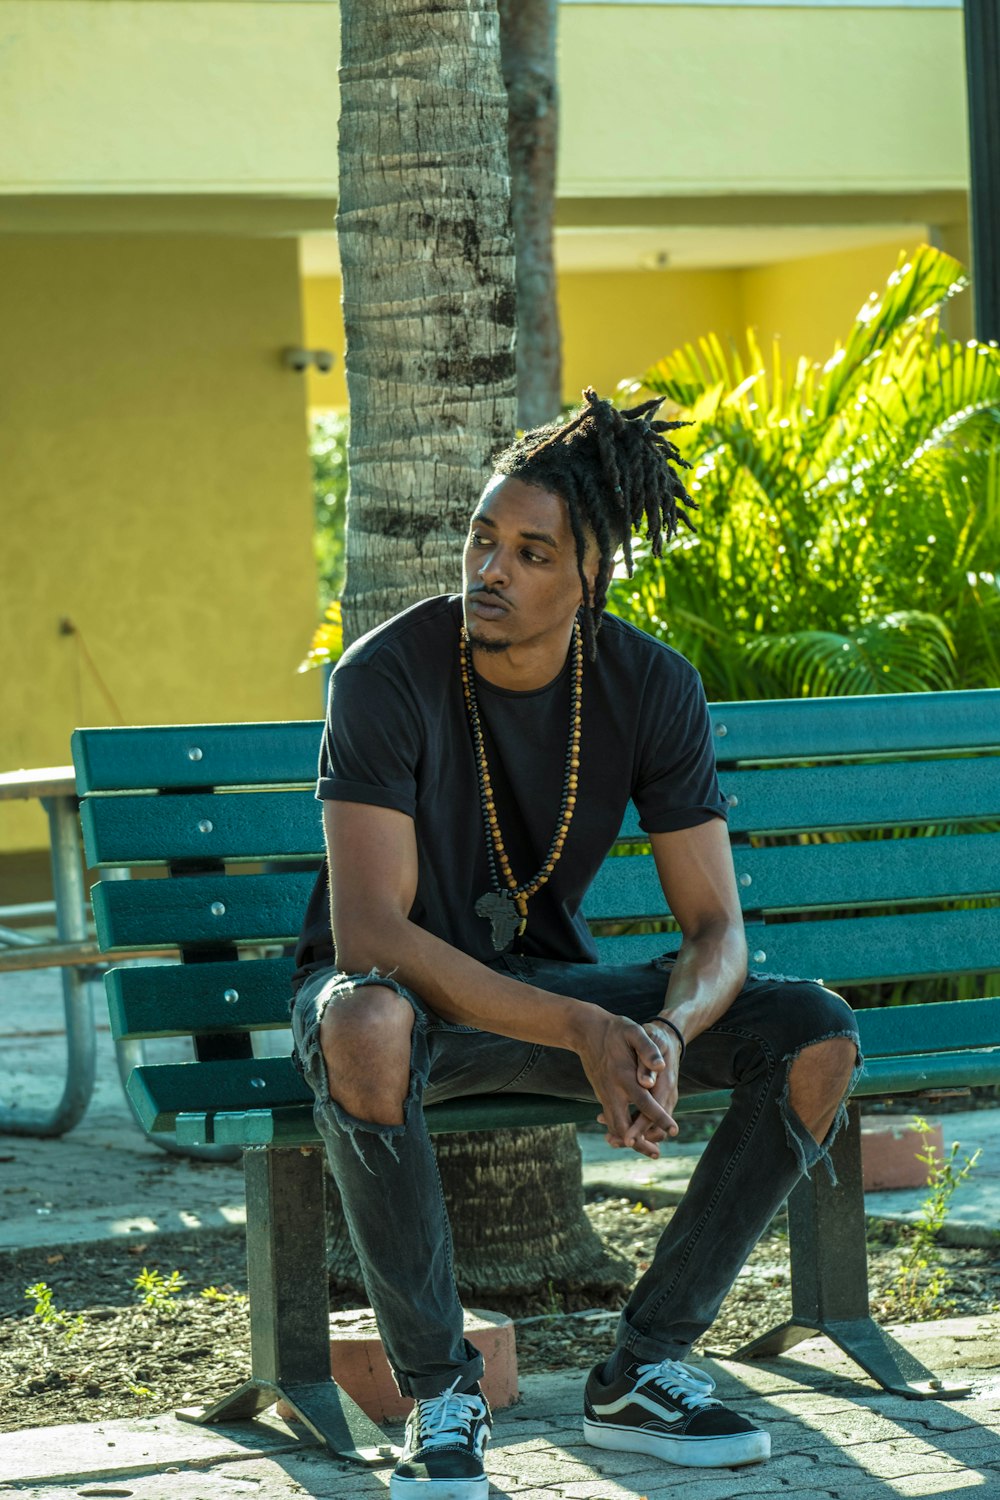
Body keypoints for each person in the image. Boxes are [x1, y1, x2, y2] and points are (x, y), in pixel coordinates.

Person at [291, 389, 861, 1500]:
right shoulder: (385, 675)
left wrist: (655, 1029)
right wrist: (585, 1029)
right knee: (366, 1018)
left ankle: (645, 1368)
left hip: (543, 994)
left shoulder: (650, 687)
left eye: (529, 551)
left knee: (811, 1034)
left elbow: (715, 934)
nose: (488, 569)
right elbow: (372, 933)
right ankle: (440, 1397)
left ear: (590, 579)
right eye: (481, 538)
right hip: (391, 1005)